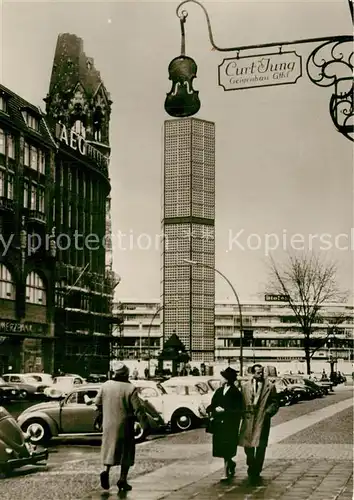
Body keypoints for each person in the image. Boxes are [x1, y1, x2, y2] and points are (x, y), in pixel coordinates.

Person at [94, 362, 149, 492]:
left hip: (108, 424)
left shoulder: (105, 385)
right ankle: (122, 480)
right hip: (125, 425)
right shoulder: (130, 388)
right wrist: (144, 424)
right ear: (126, 374)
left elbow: (97, 403)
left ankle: (105, 471)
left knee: (109, 449)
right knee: (126, 452)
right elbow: (138, 409)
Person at [238, 364, 279, 483]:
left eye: (261, 372)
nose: (260, 374)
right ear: (253, 373)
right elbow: (241, 402)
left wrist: (267, 413)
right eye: (258, 373)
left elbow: (275, 402)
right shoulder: (245, 386)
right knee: (248, 445)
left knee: (261, 446)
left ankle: (257, 469)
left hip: (262, 419)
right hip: (249, 419)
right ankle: (251, 462)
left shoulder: (270, 387)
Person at [206, 367, 243, 481]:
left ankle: (225, 472)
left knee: (227, 449)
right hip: (219, 424)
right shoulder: (219, 391)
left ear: (227, 379)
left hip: (230, 424)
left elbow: (238, 410)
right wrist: (209, 409)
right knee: (222, 449)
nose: (220, 379)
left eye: (222, 377)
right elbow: (213, 403)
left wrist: (225, 411)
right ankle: (230, 464)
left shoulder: (235, 392)